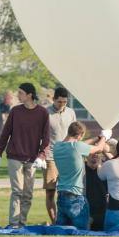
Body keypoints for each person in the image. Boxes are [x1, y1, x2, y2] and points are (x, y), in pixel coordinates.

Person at [0, 83, 50, 228]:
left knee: (28, 194)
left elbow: (46, 137)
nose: (17, 95)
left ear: (29, 95)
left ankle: (22, 223)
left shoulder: (42, 113)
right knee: (17, 191)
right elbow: (5, 133)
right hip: (15, 156)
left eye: (20, 93)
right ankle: (13, 224)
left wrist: (41, 156)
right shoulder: (15, 111)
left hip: (32, 159)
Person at [54, 121, 107, 228]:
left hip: (61, 196)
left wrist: (97, 137)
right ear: (79, 135)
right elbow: (99, 149)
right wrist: (104, 137)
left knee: (61, 231)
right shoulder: (77, 147)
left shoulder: (57, 146)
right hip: (76, 198)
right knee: (81, 231)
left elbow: (79, 143)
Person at [43, 87, 77, 224]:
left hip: (68, 157)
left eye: (64, 102)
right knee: (50, 192)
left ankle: (68, 220)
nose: (62, 104)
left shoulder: (71, 112)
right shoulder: (45, 113)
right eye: (59, 102)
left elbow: (76, 133)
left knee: (69, 192)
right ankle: (55, 222)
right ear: (53, 99)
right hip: (51, 157)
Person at [85, 151, 110, 230]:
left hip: (102, 210)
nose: (95, 155)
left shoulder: (106, 169)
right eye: (92, 153)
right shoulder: (81, 169)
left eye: (97, 153)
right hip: (85, 208)